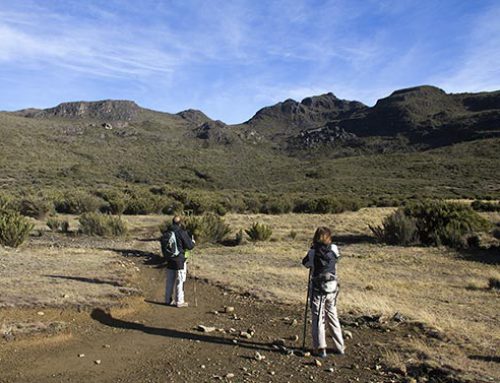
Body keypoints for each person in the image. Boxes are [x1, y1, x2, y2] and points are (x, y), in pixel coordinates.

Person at [302, 226, 345, 357]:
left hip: (317, 289)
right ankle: (340, 347)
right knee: (332, 315)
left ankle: (320, 348)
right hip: (331, 289)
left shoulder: (312, 252)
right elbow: (337, 259)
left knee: (317, 318)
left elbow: (306, 264)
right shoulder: (334, 249)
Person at [161, 215, 195, 308]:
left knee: (170, 280)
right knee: (180, 280)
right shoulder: (181, 232)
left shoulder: (167, 232)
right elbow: (190, 246)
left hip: (169, 259)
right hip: (179, 259)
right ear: (180, 223)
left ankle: (167, 300)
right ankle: (180, 301)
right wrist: (193, 242)